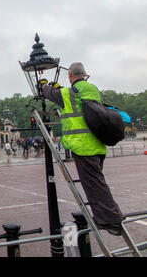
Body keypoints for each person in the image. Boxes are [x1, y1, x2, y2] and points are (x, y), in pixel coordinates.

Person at [40, 62, 124, 236]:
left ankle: (111, 220)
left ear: (70, 76)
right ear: (85, 75)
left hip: (82, 145)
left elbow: (50, 94)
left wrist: (44, 85)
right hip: (98, 144)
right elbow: (75, 97)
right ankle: (107, 217)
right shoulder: (92, 89)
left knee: (94, 185)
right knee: (97, 182)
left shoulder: (67, 93)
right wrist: (59, 87)